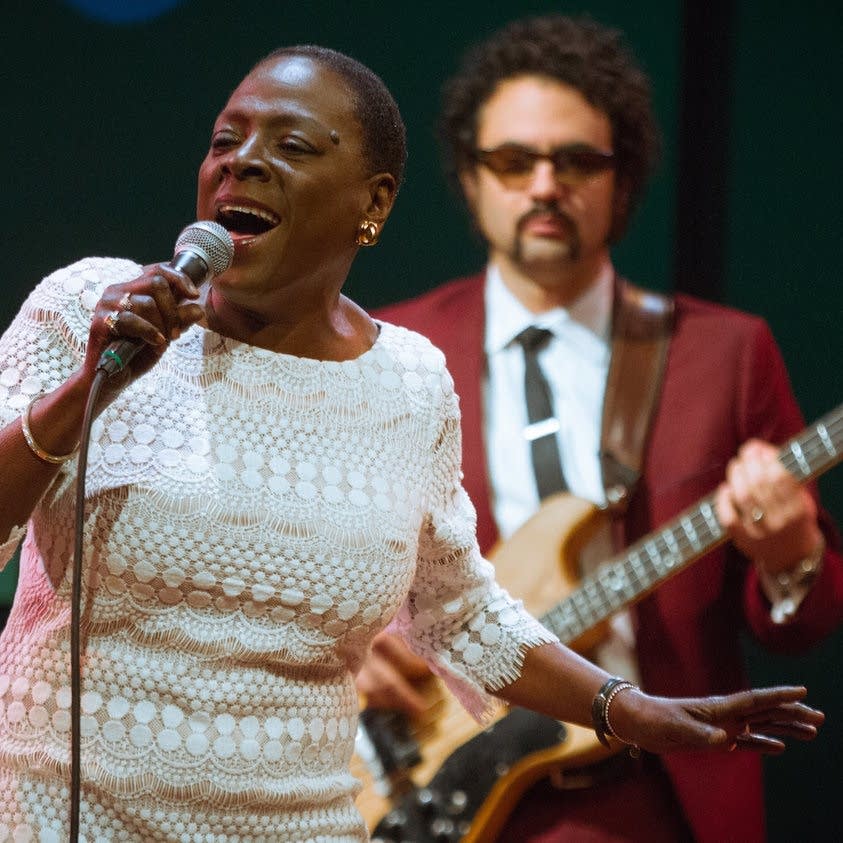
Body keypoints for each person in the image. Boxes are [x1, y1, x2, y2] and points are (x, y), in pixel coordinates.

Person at [0, 44, 824, 843]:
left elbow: (458, 611)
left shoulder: (407, 381)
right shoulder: (84, 309)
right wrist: (83, 390)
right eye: (226, 139)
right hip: (61, 815)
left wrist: (624, 706)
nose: (241, 162)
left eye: (289, 145)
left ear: (374, 203)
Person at [369, 14, 843, 843]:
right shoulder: (391, 350)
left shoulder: (725, 352)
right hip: (443, 785)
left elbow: (804, 623)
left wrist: (790, 553)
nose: (544, 185)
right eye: (513, 160)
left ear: (623, 180)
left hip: (657, 792)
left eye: (577, 160)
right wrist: (357, 644)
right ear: (470, 178)